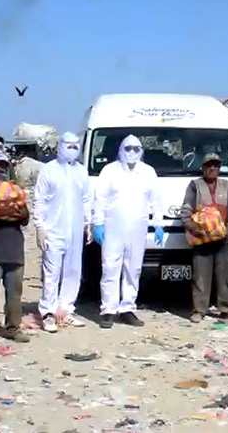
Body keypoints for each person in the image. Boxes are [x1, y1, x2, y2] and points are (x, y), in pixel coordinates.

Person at [89, 134, 164, 329]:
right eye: (128, 148)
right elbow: (100, 200)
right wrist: (97, 224)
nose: (131, 153)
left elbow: (155, 200)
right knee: (110, 268)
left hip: (138, 229)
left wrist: (158, 224)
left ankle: (128, 308)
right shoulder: (109, 171)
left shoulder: (148, 172)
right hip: (112, 228)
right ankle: (108, 310)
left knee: (133, 269)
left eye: (136, 149)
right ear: (121, 150)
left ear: (141, 151)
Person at [32, 132, 91, 332]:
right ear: (60, 146)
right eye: (69, 145)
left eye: (76, 146)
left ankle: (65, 310)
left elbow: (86, 199)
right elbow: (39, 199)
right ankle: (48, 313)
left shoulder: (81, 172)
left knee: (73, 271)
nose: (72, 149)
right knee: (52, 273)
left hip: (74, 231)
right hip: (53, 230)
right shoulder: (49, 170)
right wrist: (39, 226)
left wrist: (88, 223)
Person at [0, 150, 32, 345]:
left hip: (15, 249)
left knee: (14, 293)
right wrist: (2, 213)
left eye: (2, 165)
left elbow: (24, 217)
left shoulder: (15, 190)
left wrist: (6, 212)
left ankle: (13, 328)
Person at [181, 153, 228, 321]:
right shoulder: (195, 186)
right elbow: (185, 212)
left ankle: (227, 308)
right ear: (203, 168)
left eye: (216, 165)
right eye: (209, 165)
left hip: (223, 239)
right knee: (201, 276)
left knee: (226, 275)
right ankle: (199, 310)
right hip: (202, 239)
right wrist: (194, 228)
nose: (212, 168)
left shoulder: (227, 186)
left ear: (220, 168)